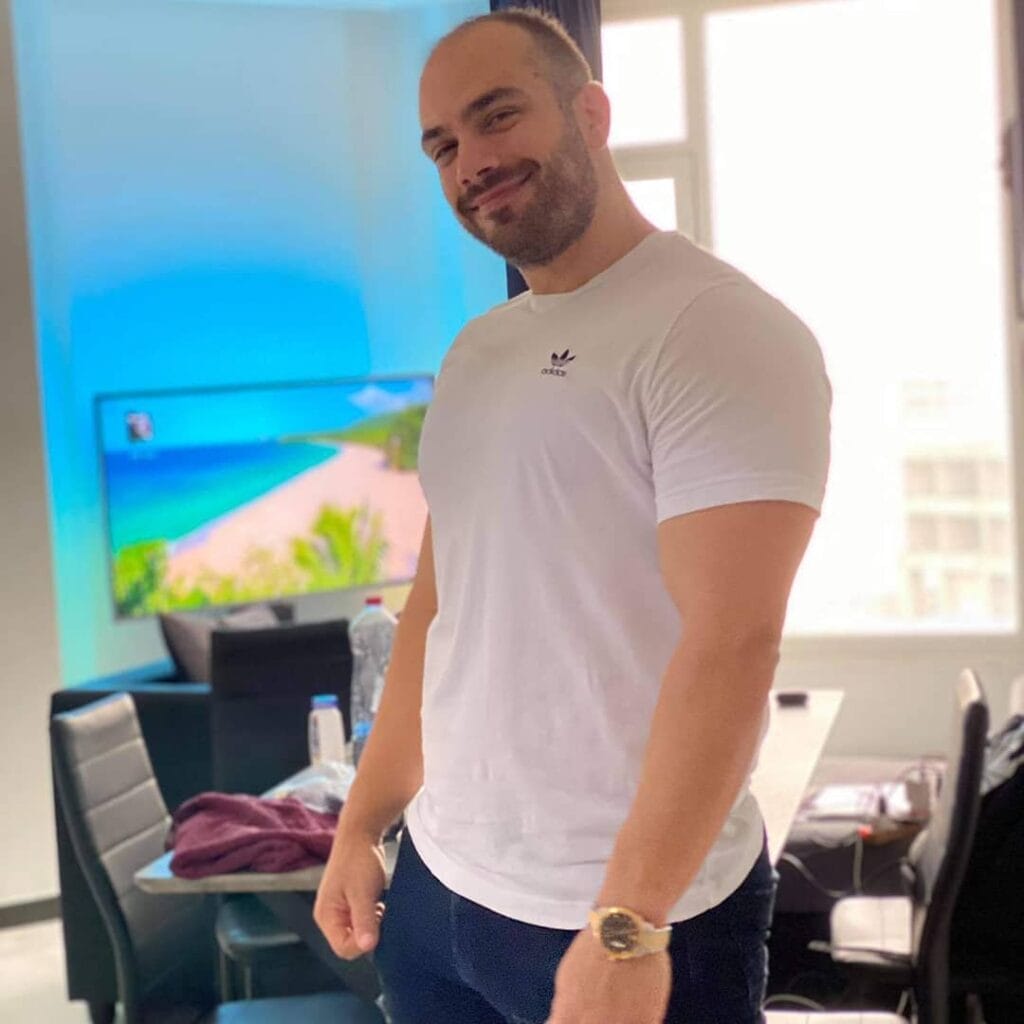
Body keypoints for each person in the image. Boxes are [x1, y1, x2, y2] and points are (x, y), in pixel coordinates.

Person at [314, 9, 831, 1024]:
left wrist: (627, 925)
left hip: (625, 914)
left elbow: (733, 643)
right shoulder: (478, 351)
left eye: (497, 116)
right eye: (442, 146)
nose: (471, 160)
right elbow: (434, 610)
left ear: (590, 111)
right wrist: (362, 825)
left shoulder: (715, 327)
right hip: (441, 886)